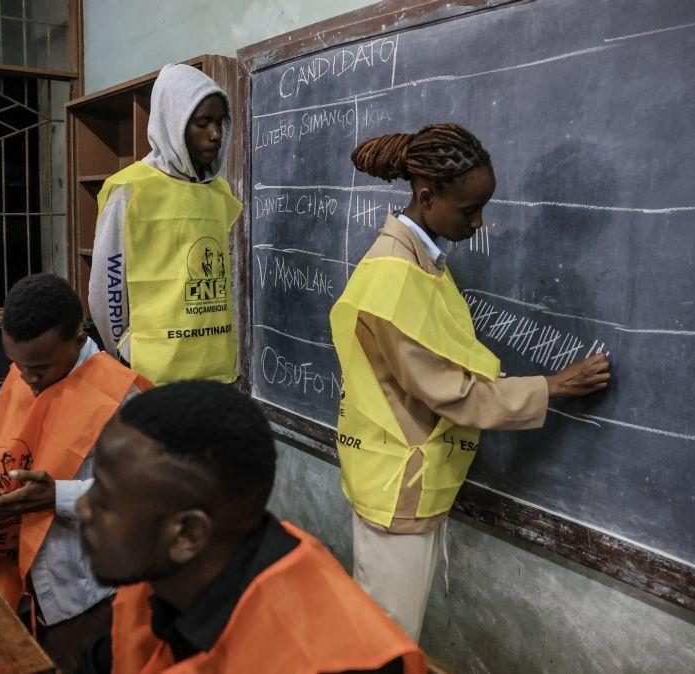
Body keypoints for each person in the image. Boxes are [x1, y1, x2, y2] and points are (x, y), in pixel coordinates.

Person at [330, 124, 611, 640]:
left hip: (407, 473)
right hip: (399, 483)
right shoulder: (396, 275)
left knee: (389, 631)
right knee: (386, 639)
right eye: (468, 210)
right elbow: (450, 390)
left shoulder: (422, 262)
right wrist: (552, 386)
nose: (479, 223)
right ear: (426, 196)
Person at [74, 381, 426, 674]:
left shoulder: (323, 660)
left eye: (104, 502)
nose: (81, 509)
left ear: (188, 534)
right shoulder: (158, 580)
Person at [0, 273, 152, 671]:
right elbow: (14, 449)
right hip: (29, 578)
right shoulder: (26, 371)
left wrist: (57, 497)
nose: (28, 378)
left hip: (94, 594)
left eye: (39, 367)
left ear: (78, 337)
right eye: (16, 364)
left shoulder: (122, 398)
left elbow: (146, 496)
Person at [88, 63, 242, 386]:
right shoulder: (129, 190)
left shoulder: (219, 193)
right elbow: (106, 288)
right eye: (202, 122)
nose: (215, 134)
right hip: (152, 382)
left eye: (219, 122)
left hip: (217, 377)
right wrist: (123, 352)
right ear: (175, 122)